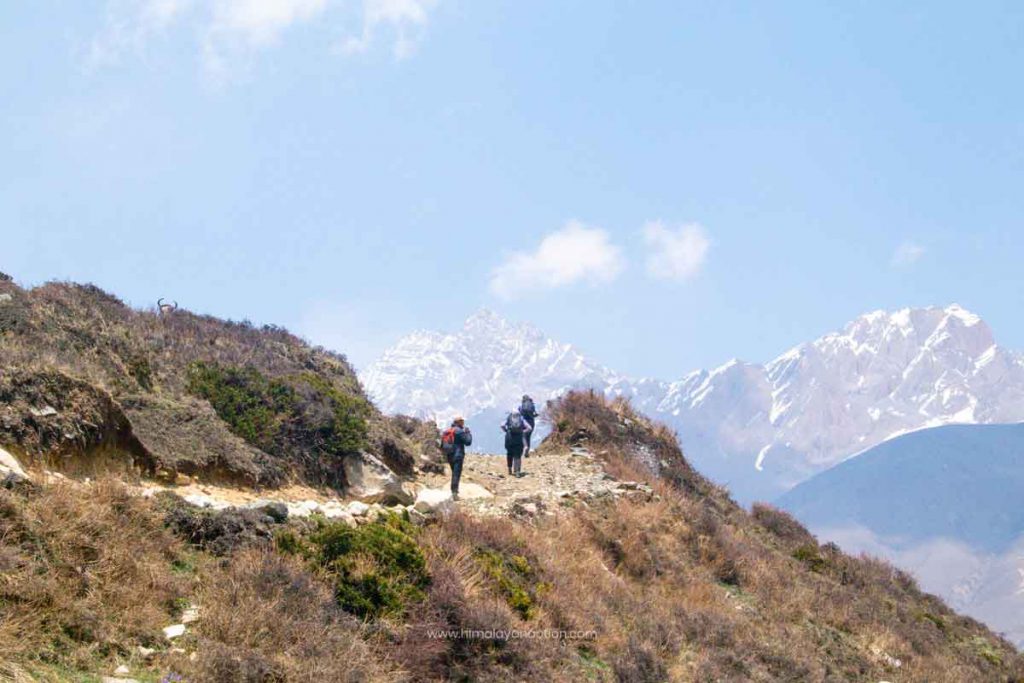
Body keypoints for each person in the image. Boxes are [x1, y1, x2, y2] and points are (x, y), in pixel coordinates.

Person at [443, 416, 472, 499]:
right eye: (462, 421)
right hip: (458, 455)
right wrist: (468, 433)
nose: (463, 423)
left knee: (454, 473)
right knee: (456, 474)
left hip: (449, 455)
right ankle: (454, 493)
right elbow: (468, 442)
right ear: (458, 422)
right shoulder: (459, 431)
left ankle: (454, 491)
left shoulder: (447, 431)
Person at [501, 408, 532, 477]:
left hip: (509, 438)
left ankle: (509, 469)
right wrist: (523, 432)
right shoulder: (521, 419)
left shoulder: (509, 418)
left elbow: (502, 425)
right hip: (518, 438)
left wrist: (506, 431)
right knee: (517, 455)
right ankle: (517, 471)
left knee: (509, 453)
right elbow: (529, 428)